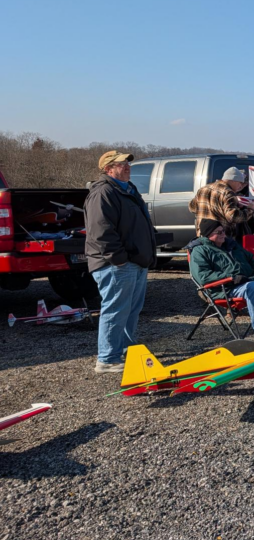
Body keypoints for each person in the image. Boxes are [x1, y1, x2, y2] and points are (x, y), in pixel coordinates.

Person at [84, 151, 157, 373]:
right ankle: (107, 359)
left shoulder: (129, 189)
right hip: (116, 265)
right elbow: (101, 233)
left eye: (127, 163)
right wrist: (120, 260)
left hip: (136, 262)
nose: (127, 167)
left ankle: (126, 351)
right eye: (121, 164)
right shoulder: (103, 192)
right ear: (108, 169)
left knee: (131, 309)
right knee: (115, 309)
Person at [188, 220, 254, 344]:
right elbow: (203, 277)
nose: (224, 234)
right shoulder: (200, 251)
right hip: (226, 289)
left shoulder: (231, 245)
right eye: (219, 232)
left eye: (224, 231)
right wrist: (231, 277)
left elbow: (250, 258)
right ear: (208, 235)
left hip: (251, 282)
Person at [188, 167, 254, 240]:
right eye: (240, 183)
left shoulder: (203, 189)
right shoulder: (227, 192)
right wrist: (249, 209)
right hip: (220, 237)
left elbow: (192, 207)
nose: (240, 186)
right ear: (233, 180)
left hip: (203, 234)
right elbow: (233, 217)